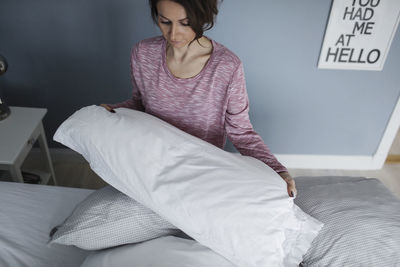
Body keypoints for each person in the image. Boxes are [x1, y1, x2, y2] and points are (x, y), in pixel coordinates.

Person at [101, 0, 297, 197]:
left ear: (203, 17)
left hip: (200, 170)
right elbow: (139, 103)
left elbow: (242, 131)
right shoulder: (143, 53)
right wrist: (112, 111)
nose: (173, 34)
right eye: (165, 22)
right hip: (152, 161)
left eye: (185, 23)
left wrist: (277, 170)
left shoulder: (227, 66)